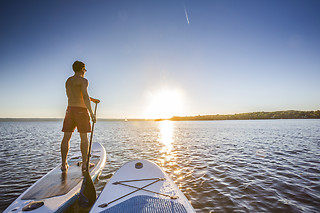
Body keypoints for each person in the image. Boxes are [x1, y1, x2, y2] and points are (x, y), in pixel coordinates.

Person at [60, 60, 99, 172]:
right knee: (84, 138)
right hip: (81, 111)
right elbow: (85, 96)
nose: (85, 71)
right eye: (85, 69)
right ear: (82, 69)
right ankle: (85, 164)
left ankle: (63, 164)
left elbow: (75, 94)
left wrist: (92, 99)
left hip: (70, 110)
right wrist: (92, 113)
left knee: (66, 138)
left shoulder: (68, 81)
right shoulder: (84, 80)